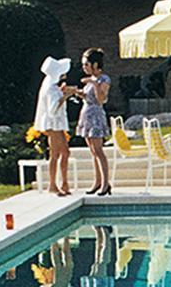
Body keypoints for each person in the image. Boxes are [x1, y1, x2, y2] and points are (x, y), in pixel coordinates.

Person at [72, 48, 113, 196]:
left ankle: (105, 183)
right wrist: (77, 92)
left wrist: (94, 83)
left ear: (95, 64)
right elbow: (87, 97)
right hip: (86, 115)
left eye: (86, 64)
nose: (84, 67)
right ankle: (97, 181)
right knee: (93, 152)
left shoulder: (104, 79)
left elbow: (101, 99)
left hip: (96, 115)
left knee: (99, 150)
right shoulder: (90, 81)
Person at [34, 55, 74, 196]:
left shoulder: (52, 86)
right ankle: (52, 184)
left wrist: (62, 92)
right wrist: (65, 96)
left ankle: (64, 183)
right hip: (53, 124)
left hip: (57, 124)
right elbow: (52, 109)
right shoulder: (50, 89)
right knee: (55, 153)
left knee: (65, 152)